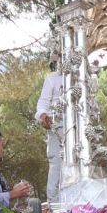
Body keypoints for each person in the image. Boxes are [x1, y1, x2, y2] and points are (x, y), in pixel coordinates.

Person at [35, 63, 64, 202]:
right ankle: (55, 211)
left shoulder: (85, 77)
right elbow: (42, 105)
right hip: (58, 129)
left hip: (81, 130)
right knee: (56, 166)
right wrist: (43, 117)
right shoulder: (52, 78)